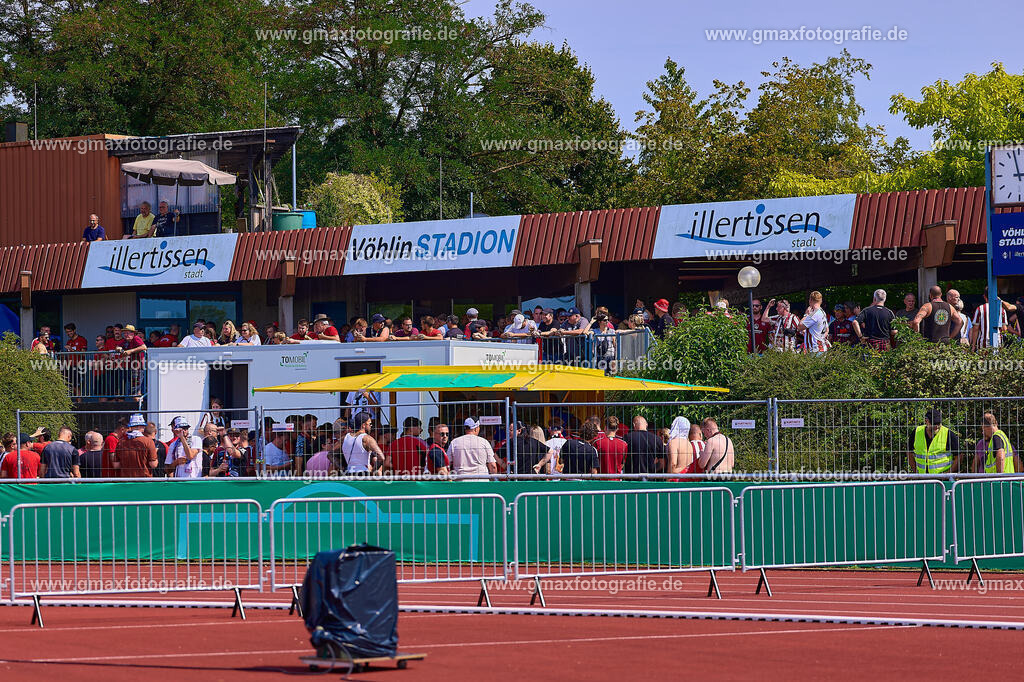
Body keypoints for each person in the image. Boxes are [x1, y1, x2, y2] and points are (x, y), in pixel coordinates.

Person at [907, 408, 960, 474]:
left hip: (942, 478)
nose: (937, 426)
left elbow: (959, 456)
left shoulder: (948, 434)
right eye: (934, 423)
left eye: (939, 423)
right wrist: (916, 472)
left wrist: (948, 473)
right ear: (926, 421)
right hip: (922, 477)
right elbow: (909, 452)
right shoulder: (916, 432)